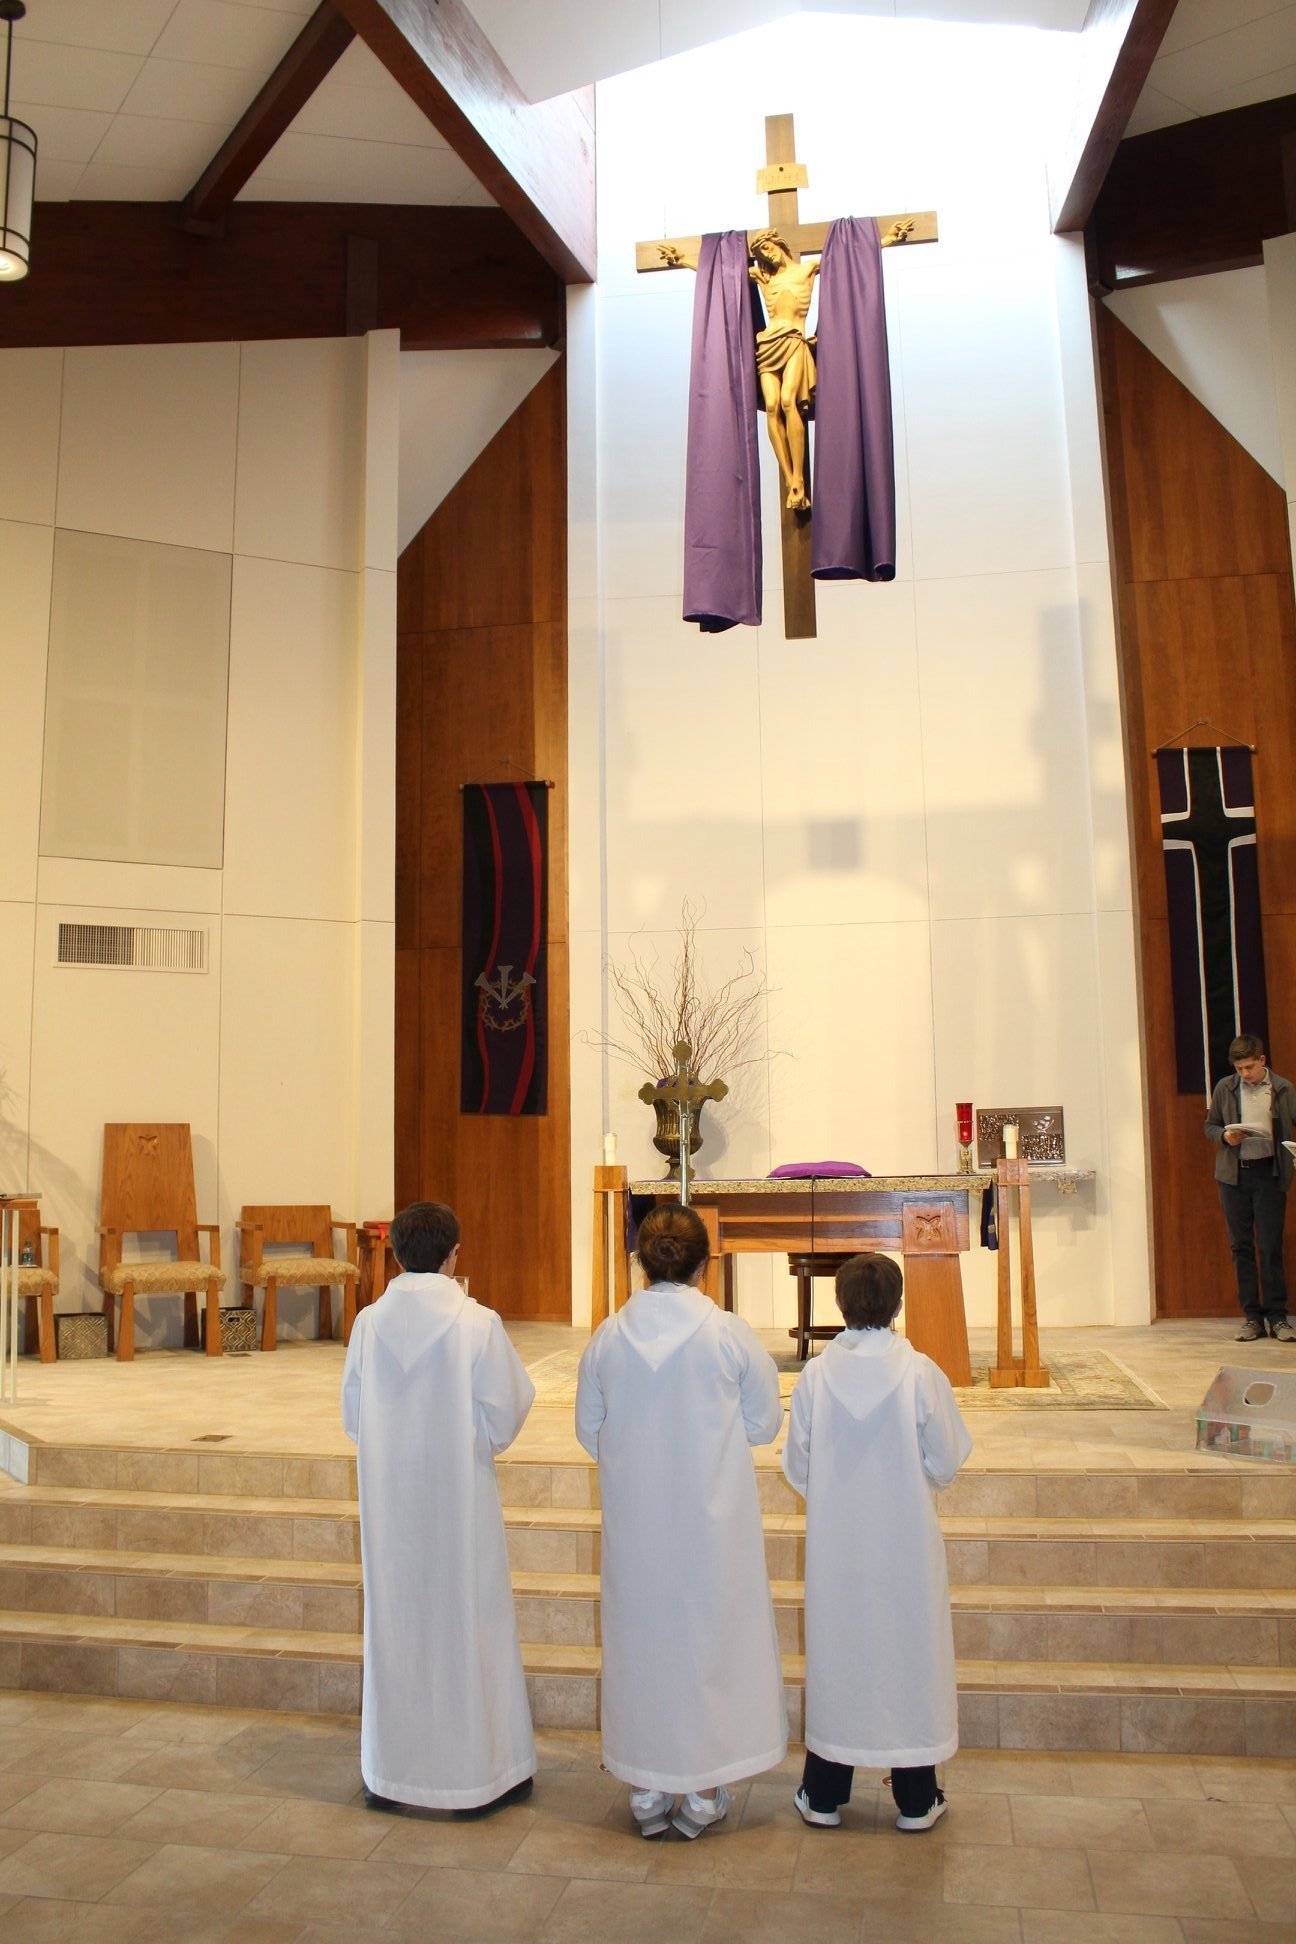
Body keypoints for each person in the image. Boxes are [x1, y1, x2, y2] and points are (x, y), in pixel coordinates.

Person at [575, 1204, 786, 1839]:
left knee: (643, 1643)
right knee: (707, 1643)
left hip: (639, 1523)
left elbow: (590, 1430)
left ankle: (645, 1786)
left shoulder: (610, 1336)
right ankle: (703, 1786)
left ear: (640, 1263)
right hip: (711, 1523)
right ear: (704, 1265)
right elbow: (766, 1423)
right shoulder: (728, 1333)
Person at [341, 1200, 537, 1813]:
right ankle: (479, 1774)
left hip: (391, 1500)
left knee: (400, 1624)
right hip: (459, 1499)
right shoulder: (476, 1323)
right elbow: (506, 1415)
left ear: (395, 1255)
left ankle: (393, 1773)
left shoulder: (369, 1325)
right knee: (468, 1621)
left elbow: (354, 1418)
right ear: (455, 1255)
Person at [783, 1253, 972, 1833]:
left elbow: (798, 1466)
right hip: (905, 1543)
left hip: (839, 1546)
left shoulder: (816, 1375)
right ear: (897, 1305)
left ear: (839, 1305)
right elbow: (946, 1458)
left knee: (843, 1653)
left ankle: (823, 1793)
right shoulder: (918, 1372)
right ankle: (916, 1797)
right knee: (905, 1652)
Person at [1205, 1034, 1296, 1342]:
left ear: (1262, 1061)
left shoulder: (1282, 1088)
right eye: (1239, 1068)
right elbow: (1210, 1125)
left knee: (1270, 1246)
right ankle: (1252, 1317)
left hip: (1269, 1174)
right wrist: (1224, 1137)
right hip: (1235, 1176)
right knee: (1240, 1246)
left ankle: (1278, 1317)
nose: (1244, 1074)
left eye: (1249, 1067)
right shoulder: (1225, 1088)